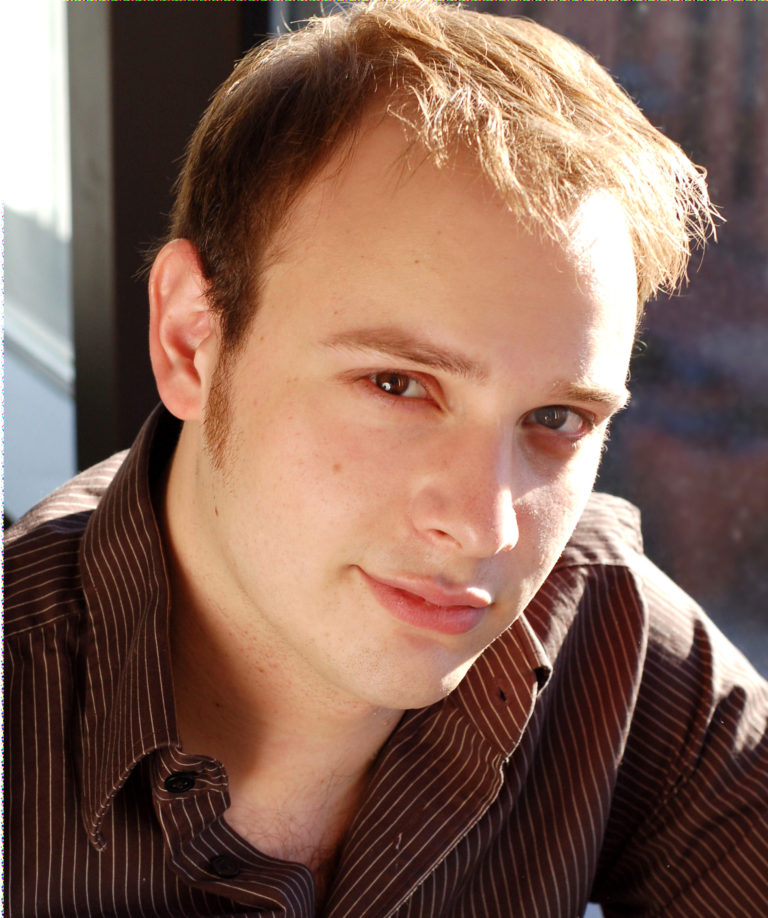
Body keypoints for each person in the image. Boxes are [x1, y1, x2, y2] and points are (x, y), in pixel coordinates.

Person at [5, 2, 767, 916]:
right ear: (191, 341)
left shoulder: (606, 635)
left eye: (556, 417)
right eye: (398, 386)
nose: (485, 526)